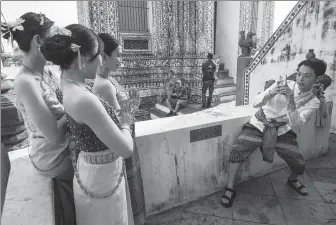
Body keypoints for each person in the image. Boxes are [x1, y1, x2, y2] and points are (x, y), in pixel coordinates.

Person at [40, 24, 135, 225]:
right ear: (82, 57)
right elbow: (125, 149)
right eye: (99, 54)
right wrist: (125, 123)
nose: (101, 60)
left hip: (91, 170)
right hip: (102, 178)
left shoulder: (66, 84)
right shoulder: (84, 98)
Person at [221, 58, 327, 208]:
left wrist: (290, 99)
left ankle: (292, 180)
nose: (300, 79)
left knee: (298, 162)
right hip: (259, 124)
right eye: (298, 74)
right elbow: (256, 103)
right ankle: (230, 187)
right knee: (238, 150)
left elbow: (296, 128)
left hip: (282, 131)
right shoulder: (285, 84)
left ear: (317, 79)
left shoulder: (313, 102)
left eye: (307, 76)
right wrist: (271, 91)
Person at [1, 13, 75, 224]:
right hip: (54, 157)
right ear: (38, 41)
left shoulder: (47, 73)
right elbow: (53, 135)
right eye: (51, 37)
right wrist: (77, 106)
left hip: (66, 148)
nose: (56, 42)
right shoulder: (25, 82)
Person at [92, 32, 146, 225]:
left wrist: (134, 105)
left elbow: (124, 114)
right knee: (128, 193)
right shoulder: (103, 85)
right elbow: (118, 122)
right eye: (117, 55)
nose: (120, 60)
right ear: (104, 57)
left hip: (127, 136)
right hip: (121, 143)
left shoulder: (109, 80)